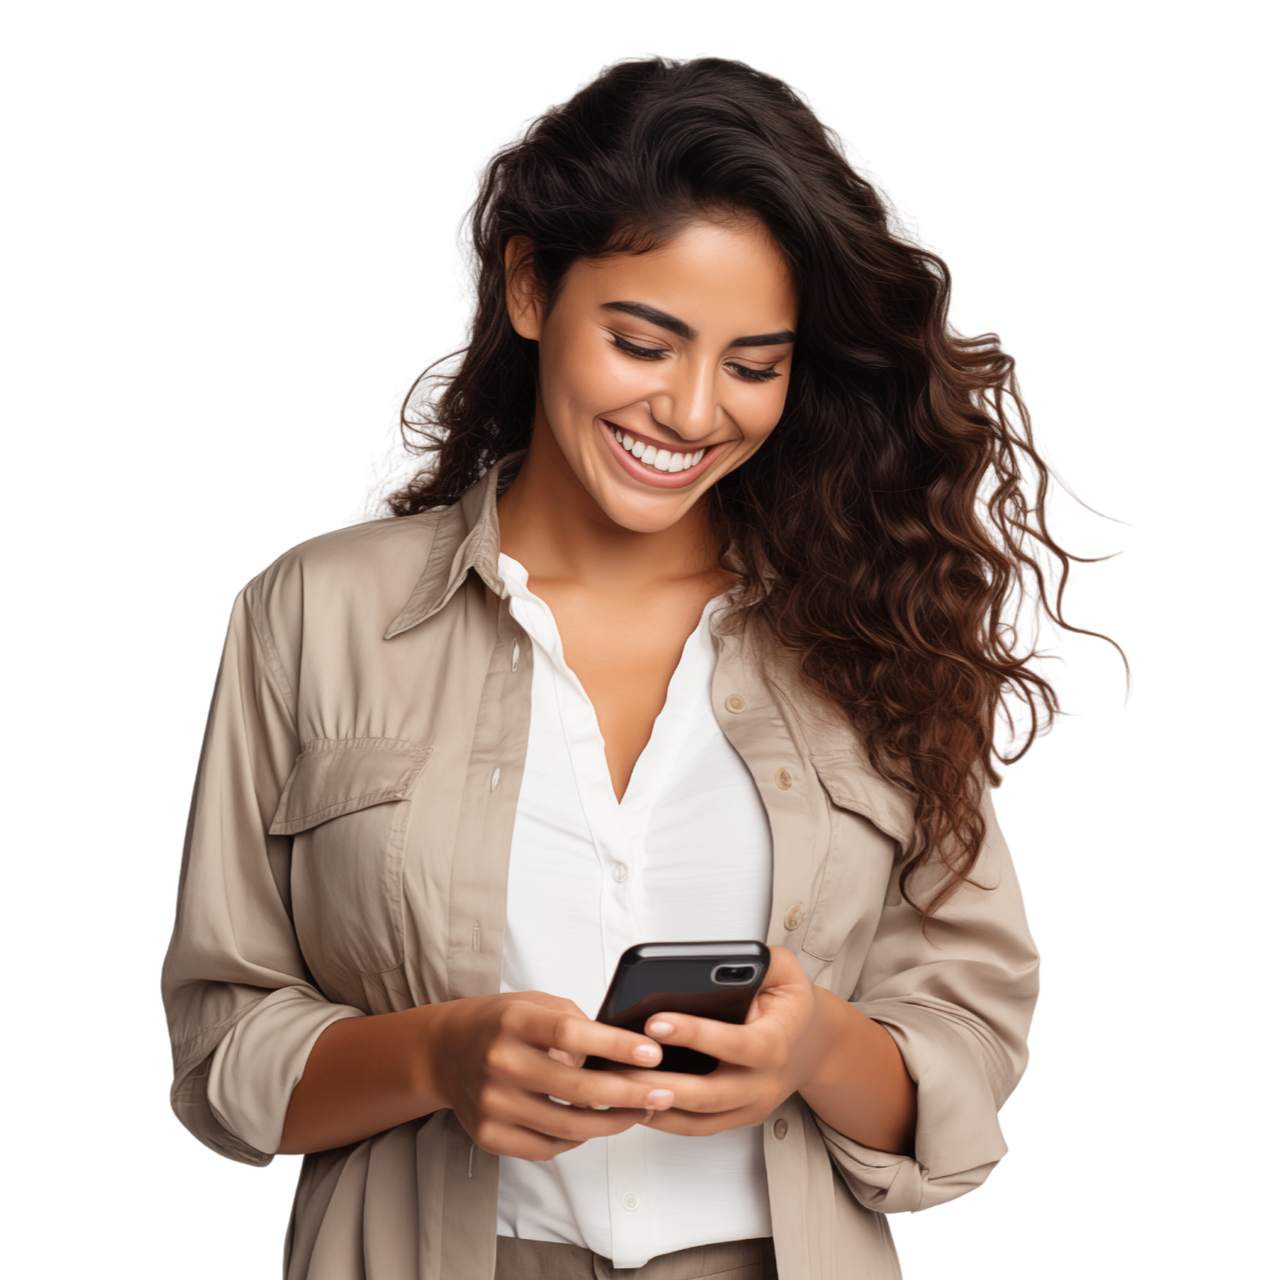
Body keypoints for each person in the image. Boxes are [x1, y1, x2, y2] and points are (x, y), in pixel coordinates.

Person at [161, 53, 1131, 1280]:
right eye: (641, 340)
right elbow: (220, 1049)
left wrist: (814, 1048)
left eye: (752, 363)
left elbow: (969, 1051)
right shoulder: (312, 613)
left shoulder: (871, 623)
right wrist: (437, 1057)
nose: (689, 410)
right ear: (528, 287)